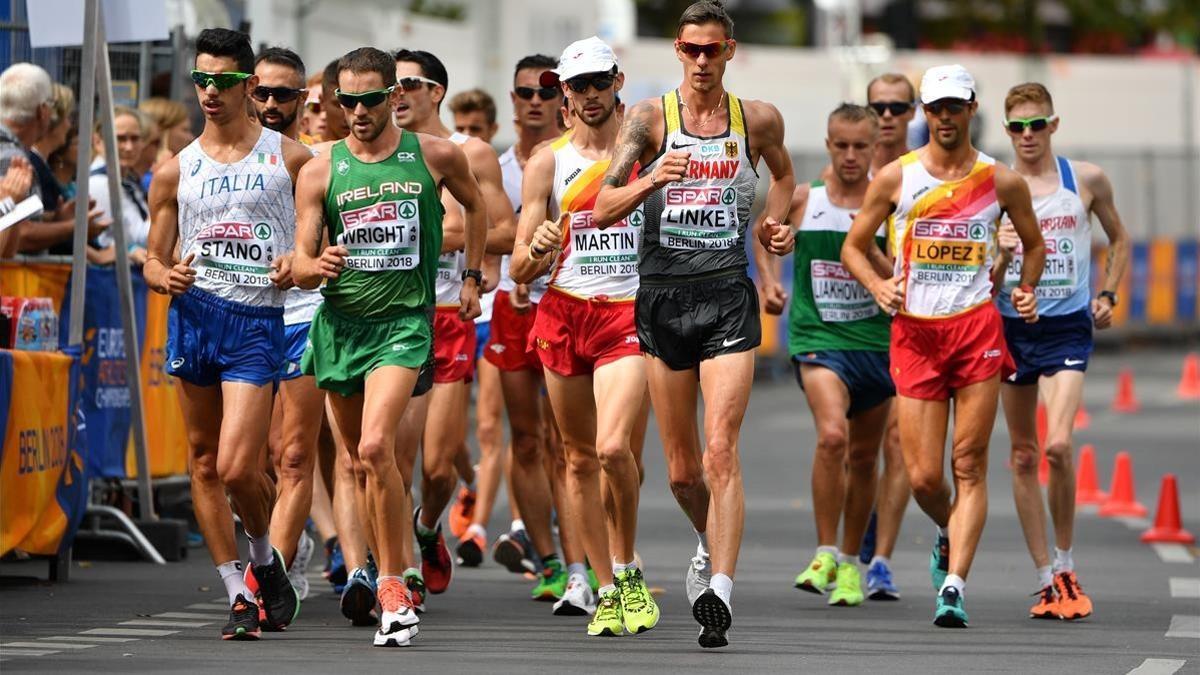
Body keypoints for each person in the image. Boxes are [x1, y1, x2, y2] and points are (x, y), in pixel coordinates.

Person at [593, 0, 795, 648]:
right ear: (677, 52)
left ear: (731, 50)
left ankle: (721, 591)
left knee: (720, 449)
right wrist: (652, 177)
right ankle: (706, 542)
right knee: (682, 470)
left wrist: (776, 225)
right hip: (662, 298)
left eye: (714, 49)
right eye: (691, 50)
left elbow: (785, 177)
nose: (703, 61)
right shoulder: (650, 120)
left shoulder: (756, 119)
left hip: (727, 294)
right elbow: (601, 206)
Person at [292, 46, 485, 647]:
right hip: (341, 328)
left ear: (392, 98)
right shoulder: (321, 170)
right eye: (344, 100)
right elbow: (300, 259)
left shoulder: (433, 155)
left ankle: (395, 587)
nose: (356, 111)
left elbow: (476, 206)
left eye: (369, 99)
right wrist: (312, 263)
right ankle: (382, 569)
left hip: (404, 325)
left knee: (377, 447)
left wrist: (473, 276)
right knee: (357, 461)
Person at [840, 64, 1045, 629]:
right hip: (916, 335)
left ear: (972, 108)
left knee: (969, 463)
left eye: (955, 106)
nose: (945, 116)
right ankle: (947, 529)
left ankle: (953, 585)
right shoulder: (897, 177)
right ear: (924, 113)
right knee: (926, 475)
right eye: (936, 108)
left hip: (976, 330)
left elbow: (1034, 244)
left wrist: (1025, 289)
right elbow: (855, 247)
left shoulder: (1001, 180)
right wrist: (880, 284)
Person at [144, 28, 313, 640]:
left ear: (249, 85)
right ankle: (237, 591)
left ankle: (265, 560)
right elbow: (151, 258)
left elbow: (320, 231)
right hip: (196, 315)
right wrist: (165, 275)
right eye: (202, 80)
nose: (210, 92)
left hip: (257, 319)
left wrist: (300, 259)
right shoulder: (174, 170)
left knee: (244, 466)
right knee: (205, 462)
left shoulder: (291, 159)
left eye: (223, 81)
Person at [511, 36, 657, 635]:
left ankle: (627, 569)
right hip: (564, 313)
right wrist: (536, 249)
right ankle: (607, 586)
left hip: (628, 312)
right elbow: (520, 266)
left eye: (599, 82)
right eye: (577, 86)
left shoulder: (650, 146)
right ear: (562, 93)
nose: (589, 96)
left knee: (613, 449)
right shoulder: (548, 161)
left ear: (617, 80)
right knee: (575, 460)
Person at [994, 82, 1130, 622]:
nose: (1027, 136)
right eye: (1017, 127)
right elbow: (981, 277)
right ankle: (1045, 576)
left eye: (1037, 124)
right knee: (1024, 454)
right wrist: (1002, 259)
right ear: (1007, 131)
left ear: (1053, 125)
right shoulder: (995, 188)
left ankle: (1068, 560)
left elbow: (1119, 238)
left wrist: (1109, 293)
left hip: (1068, 326)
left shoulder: (1085, 180)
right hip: (1010, 328)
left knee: (1057, 447)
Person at [391, 48, 515, 599]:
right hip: (392, 316)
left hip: (447, 315)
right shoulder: (373, 154)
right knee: (392, 455)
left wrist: (468, 259)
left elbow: (505, 230)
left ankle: (426, 526)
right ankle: (402, 567)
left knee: (439, 466)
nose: (395, 95)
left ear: (435, 91)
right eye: (387, 87)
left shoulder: (472, 152)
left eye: (407, 85)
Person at [758, 103, 894, 608]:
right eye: (842, 145)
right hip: (819, 339)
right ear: (830, 142)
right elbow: (764, 235)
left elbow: (905, 266)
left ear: (876, 146)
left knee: (863, 456)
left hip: (877, 345)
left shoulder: (892, 199)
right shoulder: (804, 198)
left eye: (862, 146)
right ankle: (825, 551)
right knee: (833, 436)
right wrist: (771, 283)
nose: (851, 156)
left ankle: (853, 565)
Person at [477, 54, 565, 592]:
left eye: (545, 92)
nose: (535, 100)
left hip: (570, 303)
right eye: (524, 92)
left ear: (563, 98)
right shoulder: (497, 169)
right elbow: (476, 230)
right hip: (510, 307)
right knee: (525, 439)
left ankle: (589, 555)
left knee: (572, 443)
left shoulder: (576, 157)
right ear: (512, 100)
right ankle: (550, 558)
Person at [248, 45, 328, 602]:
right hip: (240, 317)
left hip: (303, 315)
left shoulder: (316, 162)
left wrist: (305, 262)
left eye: (284, 94)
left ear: (302, 99)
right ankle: (281, 543)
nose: (272, 103)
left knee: (293, 453)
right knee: (244, 464)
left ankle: (271, 576)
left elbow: (337, 240)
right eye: (263, 92)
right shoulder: (216, 157)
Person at [856, 72, 918, 601]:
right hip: (852, 329)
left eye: (899, 107)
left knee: (900, 445)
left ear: (914, 112)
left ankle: (881, 560)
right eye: (879, 106)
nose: (888, 116)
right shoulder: (851, 163)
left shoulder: (927, 172)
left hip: (909, 324)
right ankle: (860, 524)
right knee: (858, 448)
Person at [0, 62, 107, 255]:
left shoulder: (14, 152)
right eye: (51, 105)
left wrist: (56, 219)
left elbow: (13, 236)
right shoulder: (11, 156)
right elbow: (19, 236)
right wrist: (76, 226)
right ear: (42, 111)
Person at [89, 106, 151, 265]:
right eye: (120, 139)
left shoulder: (127, 180)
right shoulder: (99, 183)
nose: (129, 147)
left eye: (135, 138)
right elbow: (142, 238)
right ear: (98, 142)